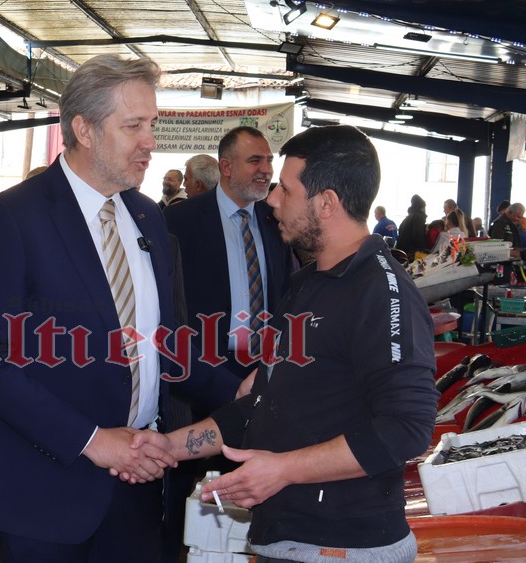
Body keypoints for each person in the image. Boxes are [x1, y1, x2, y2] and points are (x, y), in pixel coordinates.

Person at [0, 55, 239, 562]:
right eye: (133, 126)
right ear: (83, 129)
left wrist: (235, 389)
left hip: (138, 484)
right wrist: (93, 441)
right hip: (44, 490)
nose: (150, 141)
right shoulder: (12, 218)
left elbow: (162, 342)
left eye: (152, 124)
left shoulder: (147, 217)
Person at [130, 125, 437, 563]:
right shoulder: (307, 283)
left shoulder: (382, 293)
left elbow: (406, 426)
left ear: (326, 203)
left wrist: (282, 470)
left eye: (286, 190)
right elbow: (263, 402)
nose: (272, 199)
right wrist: (172, 447)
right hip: (290, 538)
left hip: (342, 546)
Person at [164, 126, 297, 379]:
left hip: (266, 368)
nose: (266, 170)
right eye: (254, 161)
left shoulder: (277, 221)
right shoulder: (179, 220)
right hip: (202, 369)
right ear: (226, 167)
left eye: (269, 161)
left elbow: (286, 291)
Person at [396, 194, 428, 260]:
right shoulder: (419, 216)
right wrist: (424, 249)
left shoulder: (407, 218)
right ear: (422, 207)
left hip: (401, 253)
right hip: (411, 253)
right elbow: (417, 235)